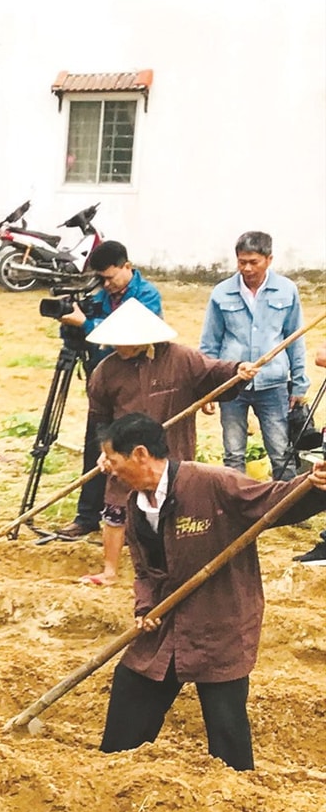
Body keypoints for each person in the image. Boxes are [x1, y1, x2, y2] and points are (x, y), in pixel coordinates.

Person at [96, 413, 326, 772]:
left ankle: (238, 794)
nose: (108, 468)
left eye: (112, 459)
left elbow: (273, 500)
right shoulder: (134, 504)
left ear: (140, 454)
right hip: (167, 622)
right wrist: (145, 607)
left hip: (220, 620)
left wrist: (313, 485)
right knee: (132, 685)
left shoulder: (211, 483)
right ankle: (112, 771)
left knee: (226, 727)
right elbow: (143, 569)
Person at [75, 301, 243, 588]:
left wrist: (239, 370)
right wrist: (105, 453)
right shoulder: (105, 371)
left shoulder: (181, 359)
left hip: (170, 448)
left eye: (125, 342)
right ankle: (110, 570)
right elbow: (99, 420)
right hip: (125, 452)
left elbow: (214, 373)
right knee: (116, 510)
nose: (119, 347)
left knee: (173, 511)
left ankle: (176, 570)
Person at [51, 240, 165, 541]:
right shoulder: (100, 296)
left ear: (127, 267)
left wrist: (87, 322)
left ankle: (133, 522)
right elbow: (80, 335)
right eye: (100, 278)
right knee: (96, 450)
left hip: (137, 385)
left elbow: (134, 332)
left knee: (130, 454)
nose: (106, 284)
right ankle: (87, 517)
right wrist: (70, 320)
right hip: (102, 381)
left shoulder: (147, 295)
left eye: (110, 277)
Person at [201, 230, 308, 481]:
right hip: (232, 384)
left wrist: (300, 384)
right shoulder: (221, 293)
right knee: (233, 452)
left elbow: (296, 339)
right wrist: (207, 386)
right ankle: (237, 508)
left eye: (253, 262)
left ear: (269, 260)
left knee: (281, 450)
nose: (247, 268)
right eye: (242, 262)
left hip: (273, 384)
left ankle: (286, 506)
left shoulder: (286, 290)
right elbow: (209, 343)